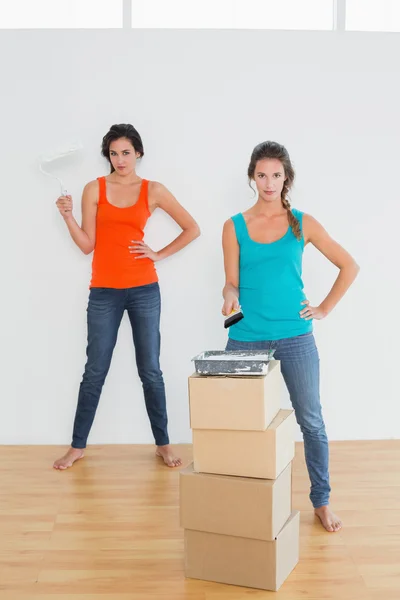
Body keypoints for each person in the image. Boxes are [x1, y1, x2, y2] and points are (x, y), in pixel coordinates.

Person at [221, 141, 359, 532]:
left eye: (276, 175)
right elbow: (230, 284)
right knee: (239, 422)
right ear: (252, 176)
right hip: (246, 335)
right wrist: (229, 298)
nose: (269, 182)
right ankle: (241, 496)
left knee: (311, 422)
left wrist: (324, 308)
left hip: (295, 336)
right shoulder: (234, 226)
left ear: (286, 178)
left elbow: (349, 265)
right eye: (262, 175)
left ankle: (322, 500)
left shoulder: (303, 222)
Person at [53, 123, 200, 470]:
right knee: (95, 370)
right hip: (104, 290)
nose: (121, 159)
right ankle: (77, 446)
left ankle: (163, 443)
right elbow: (87, 245)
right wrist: (67, 216)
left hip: (144, 289)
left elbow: (192, 228)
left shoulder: (154, 190)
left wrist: (158, 254)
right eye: (114, 153)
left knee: (150, 369)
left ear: (138, 153)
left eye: (127, 152)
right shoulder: (94, 189)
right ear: (108, 156)